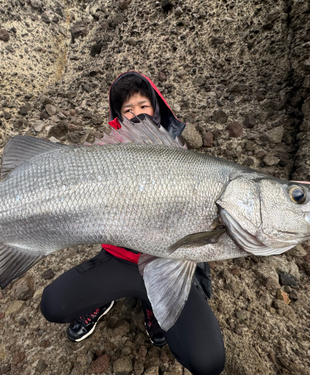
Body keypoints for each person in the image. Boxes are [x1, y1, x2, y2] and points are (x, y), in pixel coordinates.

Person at [40, 71, 225, 375]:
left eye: (143, 105)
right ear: (119, 118)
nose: (136, 113)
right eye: (127, 110)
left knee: (208, 362)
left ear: (156, 108)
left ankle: (154, 304)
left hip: (166, 265)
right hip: (118, 260)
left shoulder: (182, 157)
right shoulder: (103, 155)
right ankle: (104, 297)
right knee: (53, 305)